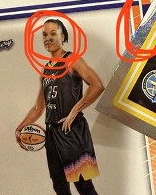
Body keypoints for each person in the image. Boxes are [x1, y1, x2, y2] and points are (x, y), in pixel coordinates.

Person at [15, 19, 104, 195]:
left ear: (62, 36)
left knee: (84, 186)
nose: (48, 38)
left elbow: (97, 86)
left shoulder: (72, 60)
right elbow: (38, 108)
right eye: (44, 35)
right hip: (52, 134)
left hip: (72, 130)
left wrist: (74, 111)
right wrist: (20, 127)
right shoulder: (45, 71)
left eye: (53, 34)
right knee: (60, 186)